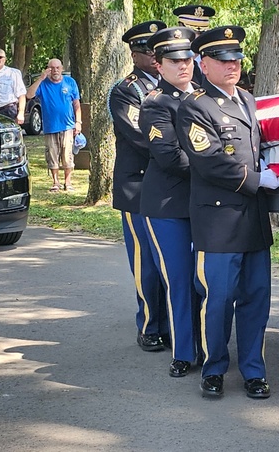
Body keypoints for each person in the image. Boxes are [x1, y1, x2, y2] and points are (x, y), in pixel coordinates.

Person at [179, 25, 279, 399]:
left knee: (256, 299)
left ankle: (254, 370)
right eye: (223, 60)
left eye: (237, 59)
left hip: (253, 221)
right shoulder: (195, 106)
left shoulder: (248, 100)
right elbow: (210, 162)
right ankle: (214, 368)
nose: (232, 65)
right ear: (202, 64)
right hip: (219, 222)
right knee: (219, 300)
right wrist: (259, 180)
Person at [139, 26, 202, 376]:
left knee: (204, 280)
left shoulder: (204, 97)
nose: (183, 65)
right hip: (167, 206)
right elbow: (169, 157)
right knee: (179, 279)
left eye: (187, 58)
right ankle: (183, 352)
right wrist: (217, 169)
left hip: (203, 204)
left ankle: (208, 345)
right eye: (174, 60)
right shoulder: (155, 103)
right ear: (158, 65)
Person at [108, 20, 171, 353]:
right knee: (146, 260)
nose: (153, 56)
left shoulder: (172, 84)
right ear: (134, 54)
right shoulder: (126, 91)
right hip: (138, 185)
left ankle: (173, 322)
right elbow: (140, 137)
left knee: (170, 261)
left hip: (168, 185)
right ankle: (150, 325)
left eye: (157, 50)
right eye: (147, 50)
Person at [26, 59, 82, 192]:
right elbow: (29, 95)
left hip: (68, 125)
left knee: (67, 154)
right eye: (52, 68)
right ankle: (55, 182)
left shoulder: (70, 82)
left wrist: (78, 122)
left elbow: (76, 104)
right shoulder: (43, 84)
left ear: (62, 68)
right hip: (50, 126)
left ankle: (68, 182)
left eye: (57, 67)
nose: (55, 70)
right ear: (48, 69)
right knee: (52, 154)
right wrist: (40, 78)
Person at [172, 4, 215, 87]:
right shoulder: (170, 61)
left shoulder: (212, 62)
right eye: (192, 33)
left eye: (202, 33)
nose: (198, 38)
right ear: (180, 29)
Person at [0, 49, 27, 124]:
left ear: (5, 59)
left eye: (0, 57)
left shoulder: (13, 73)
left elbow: (21, 95)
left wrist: (21, 114)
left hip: (8, 111)